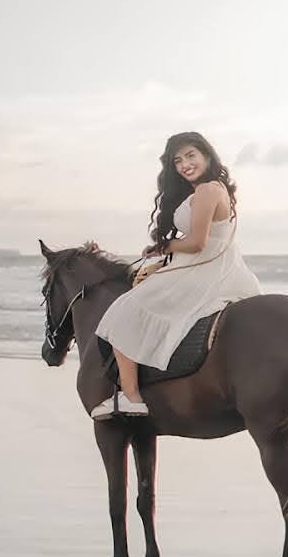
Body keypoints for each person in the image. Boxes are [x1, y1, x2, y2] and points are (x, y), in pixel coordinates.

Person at [92, 132, 263, 420]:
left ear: (207, 156)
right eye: (178, 160)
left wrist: (164, 246)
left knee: (124, 310)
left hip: (205, 268)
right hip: (207, 263)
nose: (185, 164)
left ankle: (132, 397)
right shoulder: (207, 190)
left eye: (191, 155)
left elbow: (197, 242)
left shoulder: (208, 191)